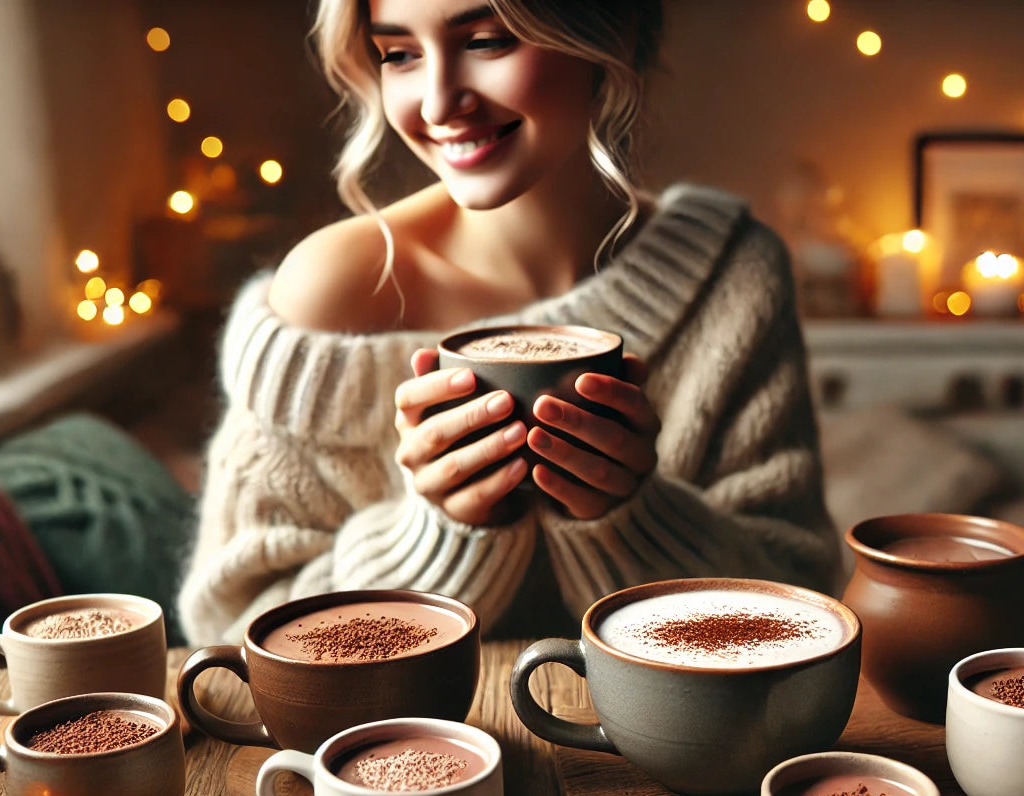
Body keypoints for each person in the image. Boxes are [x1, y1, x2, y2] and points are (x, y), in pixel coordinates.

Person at [179, 0, 837, 644]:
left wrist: (634, 517)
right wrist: (432, 539)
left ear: (607, 29)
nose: (437, 104)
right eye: (399, 54)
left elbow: (801, 596)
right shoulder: (332, 293)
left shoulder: (731, 276)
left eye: (487, 41)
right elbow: (230, 635)